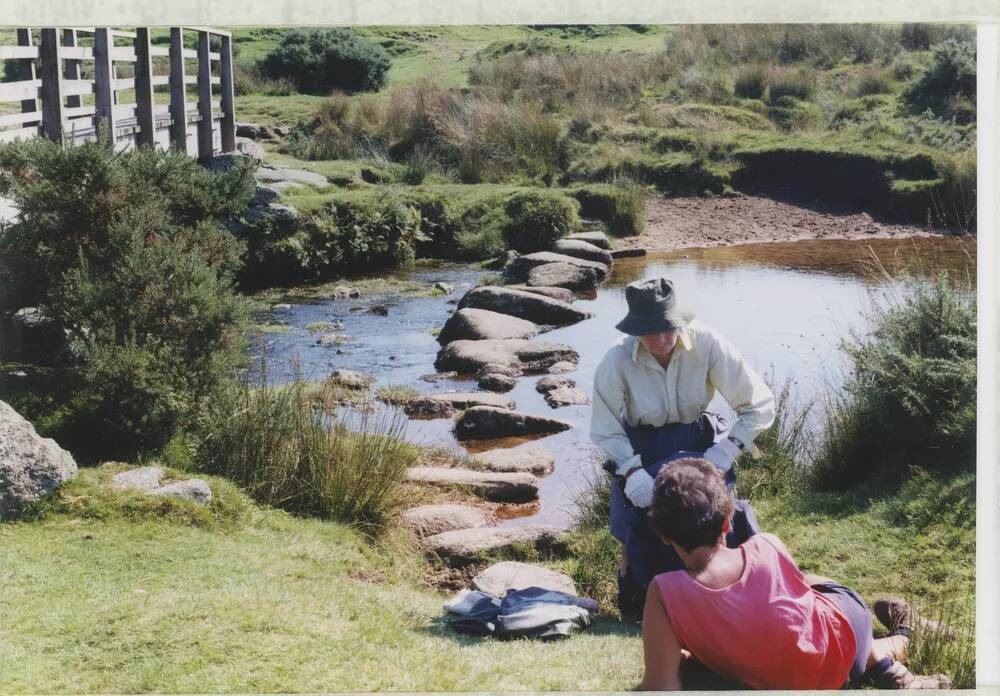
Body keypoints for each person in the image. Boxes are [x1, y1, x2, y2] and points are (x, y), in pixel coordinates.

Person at [639, 457, 952, 690]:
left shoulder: (664, 592)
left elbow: (660, 687)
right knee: (810, 587)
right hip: (847, 650)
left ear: (664, 536)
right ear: (727, 522)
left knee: (808, 587)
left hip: (821, 673)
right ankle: (899, 650)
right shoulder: (766, 544)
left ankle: (897, 651)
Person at [590, 276, 775, 619]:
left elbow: (759, 405)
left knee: (712, 521)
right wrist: (630, 473)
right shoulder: (615, 361)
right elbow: (604, 429)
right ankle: (638, 605)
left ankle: (725, 596)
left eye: (668, 327)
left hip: (698, 443)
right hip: (640, 450)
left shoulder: (708, 343)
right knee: (637, 530)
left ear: (679, 319)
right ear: (634, 328)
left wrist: (726, 452)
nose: (661, 339)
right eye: (650, 330)